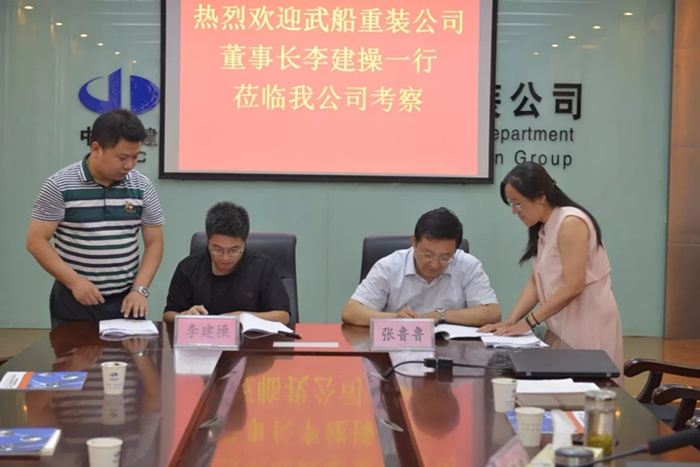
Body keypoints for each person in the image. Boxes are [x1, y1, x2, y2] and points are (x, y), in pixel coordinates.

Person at [26, 109, 165, 329]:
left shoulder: (142, 186)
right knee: (73, 352)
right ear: (96, 149)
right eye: (122, 158)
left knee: (128, 353)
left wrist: (140, 289)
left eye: (135, 157)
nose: (129, 165)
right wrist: (74, 282)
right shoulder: (59, 186)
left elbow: (155, 242)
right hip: (75, 298)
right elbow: (36, 241)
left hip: (126, 299)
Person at [479, 162, 623, 371]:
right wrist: (511, 320)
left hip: (588, 323)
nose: (514, 211)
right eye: (511, 204)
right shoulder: (545, 226)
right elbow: (535, 282)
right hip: (561, 324)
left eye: (518, 204)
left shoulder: (570, 222)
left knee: (590, 386)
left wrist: (528, 323)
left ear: (540, 197)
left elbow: (573, 286)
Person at [342, 207, 500, 327]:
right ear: (414, 242)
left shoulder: (468, 265)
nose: (435, 264)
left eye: (445, 257)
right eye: (428, 254)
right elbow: (351, 312)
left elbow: (492, 314)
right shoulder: (389, 266)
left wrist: (441, 315)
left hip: (452, 353)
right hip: (396, 350)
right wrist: (395, 319)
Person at [163, 202, 290, 324]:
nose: (225, 257)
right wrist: (185, 315)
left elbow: (283, 316)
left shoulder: (263, 267)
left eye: (234, 250)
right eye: (217, 249)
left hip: (248, 338)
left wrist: (243, 317)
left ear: (244, 242)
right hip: (202, 337)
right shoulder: (188, 267)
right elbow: (168, 315)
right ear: (208, 240)